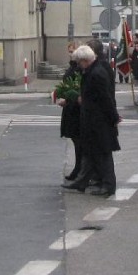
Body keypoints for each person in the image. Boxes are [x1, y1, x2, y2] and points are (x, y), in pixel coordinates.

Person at [61, 45, 119, 196]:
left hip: (99, 121)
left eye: (80, 62)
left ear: (85, 60)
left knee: (102, 154)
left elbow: (105, 98)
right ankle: (82, 181)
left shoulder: (96, 74)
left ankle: (108, 185)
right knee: (89, 152)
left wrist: (114, 117)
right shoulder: (92, 71)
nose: (79, 65)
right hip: (92, 120)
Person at [58, 41, 82, 181]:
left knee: (79, 142)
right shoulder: (73, 67)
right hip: (70, 108)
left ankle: (79, 170)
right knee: (75, 141)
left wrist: (68, 99)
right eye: (69, 51)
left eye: (73, 51)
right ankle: (78, 169)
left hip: (75, 109)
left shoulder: (78, 68)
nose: (71, 54)